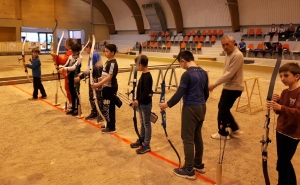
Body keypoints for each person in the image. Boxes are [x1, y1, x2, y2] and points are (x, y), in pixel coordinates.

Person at [159, 51, 209, 180]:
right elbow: (206, 93)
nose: (181, 66)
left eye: (180, 63)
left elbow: (179, 94)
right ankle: (198, 164)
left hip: (191, 108)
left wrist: (167, 105)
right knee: (197, 136)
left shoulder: (187, 74)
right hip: (202, 107)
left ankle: (188, 169)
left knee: (188, 138)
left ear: (183, 60)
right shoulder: (203, 72)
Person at [267, 63, 300, 185]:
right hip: (281, 130)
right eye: (281, 76)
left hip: (292, 133)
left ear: (297, 76)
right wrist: (275, 104)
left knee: (282, 164)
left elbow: (298, 112)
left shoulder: (299, 92)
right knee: (284, 162)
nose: (282, 79)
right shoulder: (285, 92)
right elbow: (279, 112)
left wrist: (281, 107)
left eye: (286, 75)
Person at [209, 35, 244, 140]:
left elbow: (229, 74)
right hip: (229, 86)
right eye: (223, 45)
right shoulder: (229, 54)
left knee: (223, 109)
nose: (225, 47)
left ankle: (222, 133)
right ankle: (235, 128)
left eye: (227, 44)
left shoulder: (237, 55)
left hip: (233, 88)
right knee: (223, 107)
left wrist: (214, 84)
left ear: (233, 43)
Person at [91, 44, 118, 133]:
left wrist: (98, 83)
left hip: (110, 88)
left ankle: (112, 127)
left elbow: (110, 77)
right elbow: (105, 75)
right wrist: (100, 79)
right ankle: (108, 123)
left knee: (110, 107)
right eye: (105, 51)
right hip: (106, 87)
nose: (105, 53)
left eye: (107, 51)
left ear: (112, 52)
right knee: (106, 106)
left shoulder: (113, 63)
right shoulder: (108, 62)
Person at [130, 55, 153, 154]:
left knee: (146, 124)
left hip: (145, 104)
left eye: (137, 65)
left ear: (141, 65)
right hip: (141, 103)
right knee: (142, 122)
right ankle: (141, 139)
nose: (136, 67)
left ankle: (146, 145)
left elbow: (146, 91)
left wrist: (138, 100)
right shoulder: (143, 74)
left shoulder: (147, 76)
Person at [74, 42, 103, 122]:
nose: (85, 49)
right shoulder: (93, 55)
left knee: (97, 96)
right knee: (92, 96)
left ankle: (99, 113)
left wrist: (80, 76)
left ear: (89, 47)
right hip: (93, 77)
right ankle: (95, 111)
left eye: (86, 48)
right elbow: (89, 69)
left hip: (96, 78)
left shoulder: (93, 55)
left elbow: (88, 69)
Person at [58, 43, 82, 116]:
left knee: (76, 92)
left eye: (74, 52)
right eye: (72, 51)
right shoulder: (71, 56)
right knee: (71, 91)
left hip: (75, 76)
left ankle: (77, 108)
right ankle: (73, 108)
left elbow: (74, 68)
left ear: (78, 51)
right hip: (70, 76)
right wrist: (60, 66)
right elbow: (67, 64)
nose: (73, 53)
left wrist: (63, 68)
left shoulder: (79, 58)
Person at [51, 38, 75, 109]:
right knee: (67, 88)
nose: (65, 45)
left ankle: (71, 103)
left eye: (65, 44)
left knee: (68, 88)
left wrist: (56, 56)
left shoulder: (70, 52)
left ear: (67, 45)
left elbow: (64, 61)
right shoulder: (69, 52)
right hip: (67, 72)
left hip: (69, 73)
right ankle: (70, 102)